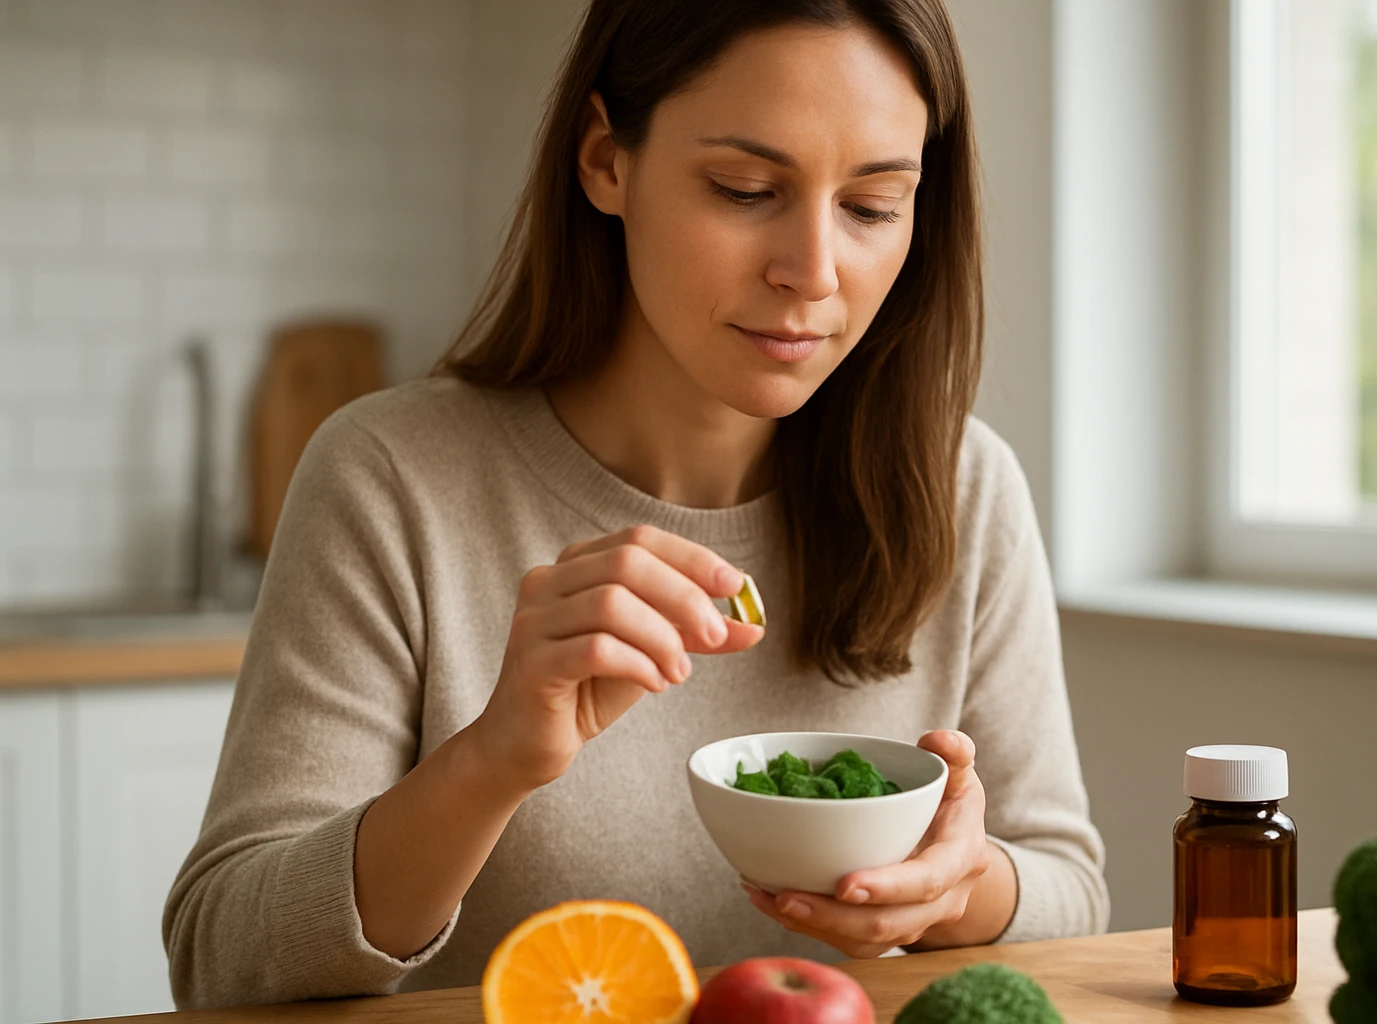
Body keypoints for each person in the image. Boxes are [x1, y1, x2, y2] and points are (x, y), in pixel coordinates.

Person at [163, 0, 1108, 1008]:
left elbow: (1071, 889)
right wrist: (491, 762)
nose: (814, 272)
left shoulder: (964, 485)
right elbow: (222, 956)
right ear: (606, 159)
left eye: (873, 206)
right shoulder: (391, 477)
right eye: (746, 189)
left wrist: (958, 888)